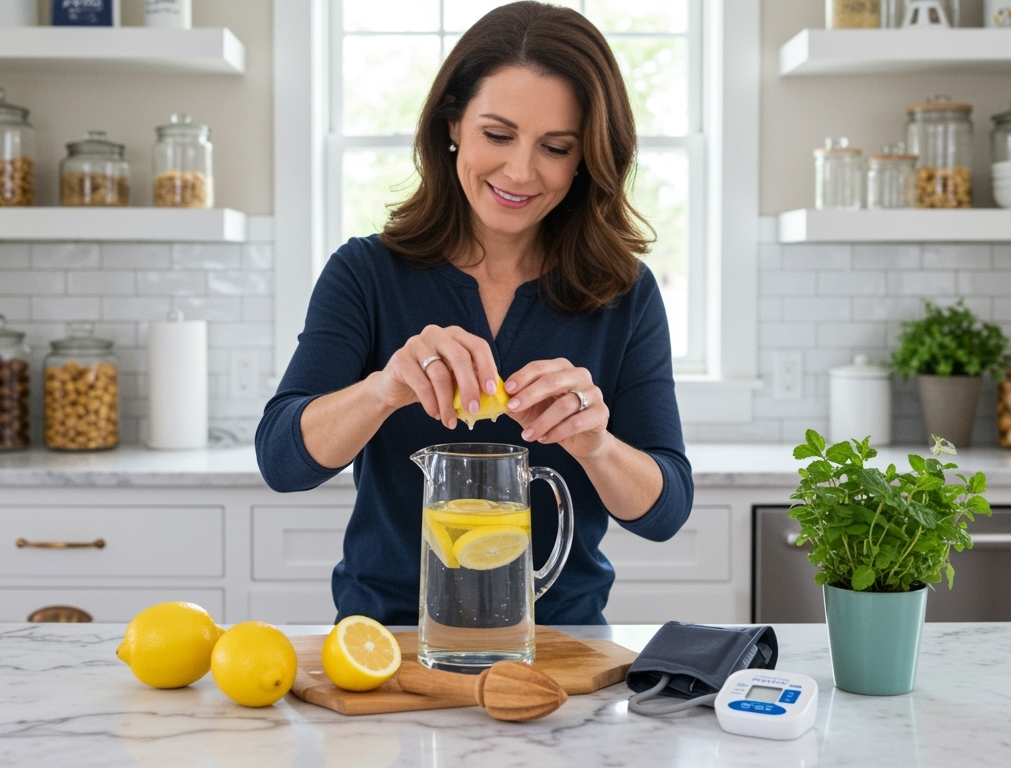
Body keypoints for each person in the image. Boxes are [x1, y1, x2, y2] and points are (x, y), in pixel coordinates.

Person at [256, 1, 692, 625]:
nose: (520, 170)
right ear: (453, 122)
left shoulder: (623, 292)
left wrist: (597, 445)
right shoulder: (366, 273)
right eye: (497, 134)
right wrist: (384, 389)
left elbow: (666, 511)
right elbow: (281, 461)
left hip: (561, 648)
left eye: (556, 147)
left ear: (587, 156)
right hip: (389, 642)